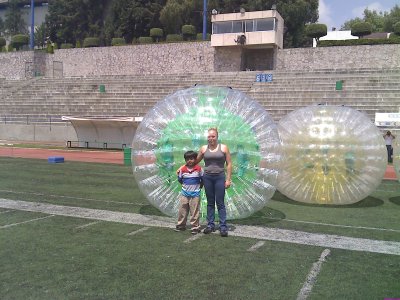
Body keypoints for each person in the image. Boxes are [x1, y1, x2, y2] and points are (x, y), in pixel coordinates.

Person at [179, 127, 232, 237]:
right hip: (207, 177)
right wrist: (182, 167)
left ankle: (223, 226)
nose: (211, 138)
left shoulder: (223, 148)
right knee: (210, 202)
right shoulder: (203, 148)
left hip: (219, 177)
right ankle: (210, 225)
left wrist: (228, 179)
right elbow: (194, 162)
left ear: (217, 137)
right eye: (209, 136)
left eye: (213, 136)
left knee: (220, 202)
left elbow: (229, 164)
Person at [175, 150, 204, 234]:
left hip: (195, 194)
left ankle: (195, 227)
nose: (189, 161)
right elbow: (180, 180)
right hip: (185, 194)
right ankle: (181, 225)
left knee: (194, 211)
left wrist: (199, 187)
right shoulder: (182, 170)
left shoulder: (199, 169)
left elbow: (202, 180)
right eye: (187, 159)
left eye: (191, 159)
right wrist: (185, 187)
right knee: (182, 210)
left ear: (195, 159)